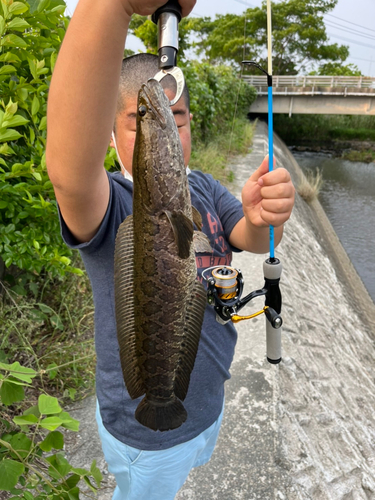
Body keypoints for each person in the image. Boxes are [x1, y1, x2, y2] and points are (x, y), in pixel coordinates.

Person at [46, 0, 295, 498]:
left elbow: (250, 238)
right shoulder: (113, 207)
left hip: (203, 406)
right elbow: (70, 175)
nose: (167, 131)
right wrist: (114, 6)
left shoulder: (201, 189)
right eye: (142, 120)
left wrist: (265, 217)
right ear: (111, 135)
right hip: (146, 430)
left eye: (176, 118)